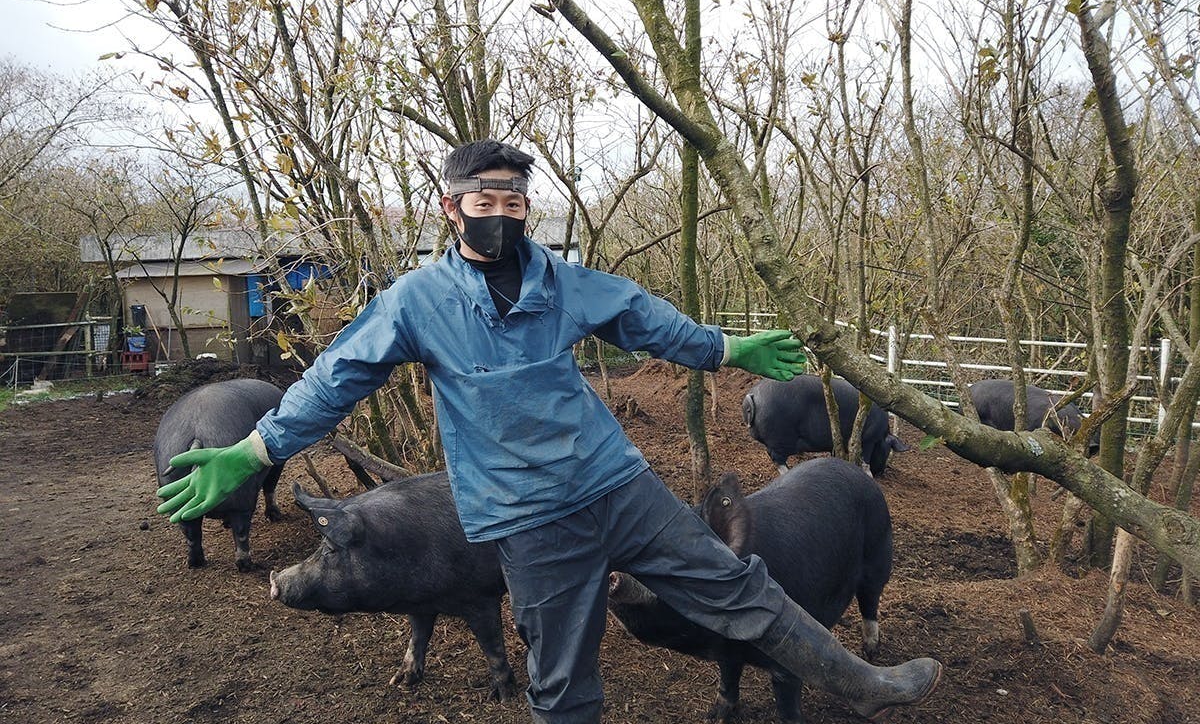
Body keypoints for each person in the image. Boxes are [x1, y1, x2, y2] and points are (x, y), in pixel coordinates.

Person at [157, 139, 941, 723]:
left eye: (516, 200)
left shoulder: (562, 282)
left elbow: (641, 318)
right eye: (486, 198)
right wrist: (258, 449)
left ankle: (861, 685)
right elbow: (336, 379)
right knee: (563, 680)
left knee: (740, 586)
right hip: (527, 519)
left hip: (614, 483)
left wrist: (726, 348)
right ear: (451, 205)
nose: (502, 212)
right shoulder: (416, 302)